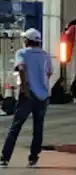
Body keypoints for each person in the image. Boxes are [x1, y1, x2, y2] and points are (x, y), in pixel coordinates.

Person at [0, 28, 51, 167]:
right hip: (43, 96)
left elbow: (21, 68)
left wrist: (25, 89)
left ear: (28, 41)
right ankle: (33, 157)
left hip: (28, 95)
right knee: (38, 127)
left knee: (16, 126)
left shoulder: (21, 53)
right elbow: (49, 73)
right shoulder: (46, 55)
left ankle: (5, 157)